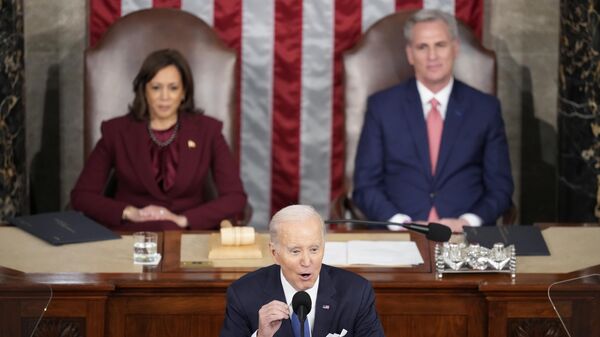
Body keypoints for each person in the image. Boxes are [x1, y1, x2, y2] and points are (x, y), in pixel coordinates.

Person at [353, 9, 514, 232]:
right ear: (410, 54)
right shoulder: (382, 107)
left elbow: (501, 188)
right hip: (400, 237)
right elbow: (365, 186)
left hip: (464, 236)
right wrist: (400, 223)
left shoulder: (485, 109)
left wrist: (468, 222)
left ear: (455, 48)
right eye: (422, 47)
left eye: (440, 45)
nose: (432, 56)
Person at [71, 49, 247, 230]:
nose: (165, 97)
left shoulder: (208, 131)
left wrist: (183, 219)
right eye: (156, 87)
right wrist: (129, 212)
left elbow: (235, 198)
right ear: (144, 91)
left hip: (188, 236)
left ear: (184, 92)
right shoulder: (116, 131)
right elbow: (81, 196)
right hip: (131, 235)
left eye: (173, 88)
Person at [220, 205, 385, 337]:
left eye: (314, 249)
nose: (307, 262)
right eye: (295, 251)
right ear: (274, 253)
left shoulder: (356, 292)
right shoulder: (243, 294)